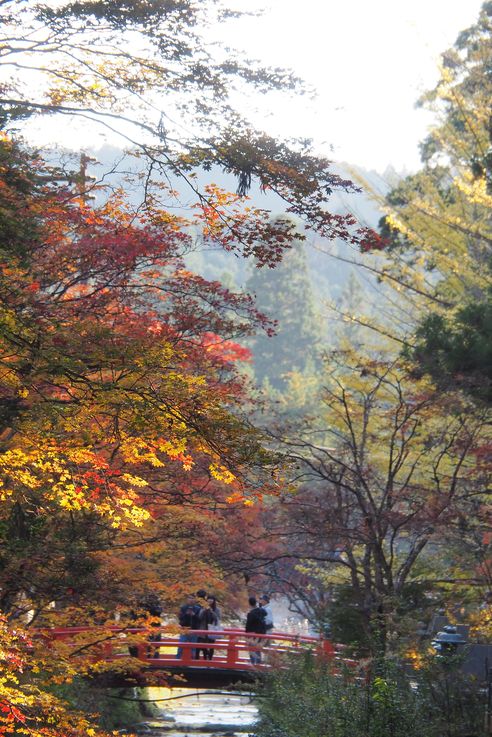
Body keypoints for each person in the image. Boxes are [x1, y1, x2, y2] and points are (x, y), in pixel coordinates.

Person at [177, 593, 201, 659]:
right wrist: (186, 614)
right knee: (181, 645)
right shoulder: (183, 608)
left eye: (192, 598)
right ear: (187, 599)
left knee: (193, 647)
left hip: (194, 629)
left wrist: (194, 615)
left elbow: (199, 620)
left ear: (195, 600)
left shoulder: (198, 609)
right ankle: (177, 660)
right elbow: (180, 618)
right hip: (184, 629)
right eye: (189, 598)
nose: (191, 600)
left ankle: (192, 661)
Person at [196, 595, 220, 660]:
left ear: (214, 601)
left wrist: (212, 612)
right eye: (209, 599)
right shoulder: (203, 608)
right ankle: (199, 659)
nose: (210, 600)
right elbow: (199, 617)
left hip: (212, 630)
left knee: (211, 646)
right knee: (200, 645)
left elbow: (217, 619)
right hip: (203, 629)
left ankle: (210, 660)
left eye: (212, 599)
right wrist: (204, 610)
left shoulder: (217, 609)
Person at [245, 596, 267, 665]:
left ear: (249, 604)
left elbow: (248, 626)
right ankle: (258, 663)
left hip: (252, 634)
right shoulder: (262, 611)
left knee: (251, 649)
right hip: (261, 633)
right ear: (256, 602)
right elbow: (265, 614)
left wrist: (246, 635)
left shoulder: (251, 614)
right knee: (258, 649)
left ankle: (253, 663)